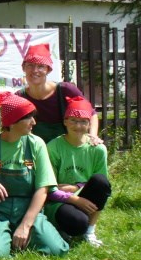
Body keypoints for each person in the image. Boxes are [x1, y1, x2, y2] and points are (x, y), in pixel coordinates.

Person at [0, 91, 69, 258]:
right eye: (28, 117)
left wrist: (26, 225)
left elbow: (43, 188)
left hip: (28, 210)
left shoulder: (36, 144)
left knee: (57, 250)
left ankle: (20, 236)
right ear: (12, 121)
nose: (34, 122)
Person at [46, 96, 111, 247]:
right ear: (65, 122)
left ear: (89, 124)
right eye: (73, 120)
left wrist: (76, 187)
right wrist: (74, 199)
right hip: (59, 200)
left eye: (83, 121)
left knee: (101, 181)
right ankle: (63, 226)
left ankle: (90, 231)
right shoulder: (53, 147)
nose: (78, 126)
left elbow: (102, 186)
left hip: (83, 193)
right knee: (77, 224)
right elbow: (49, 188)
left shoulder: (98, 149)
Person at [17, 43, 101, 144]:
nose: (35, 70)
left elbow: (91, 114)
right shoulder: (19, 97)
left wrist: (93, 136)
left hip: (68, 149)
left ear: (48, 70)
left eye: (41, 66)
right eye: (30, 65)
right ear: (23, 68)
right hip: (35, 150)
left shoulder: (65, 90)